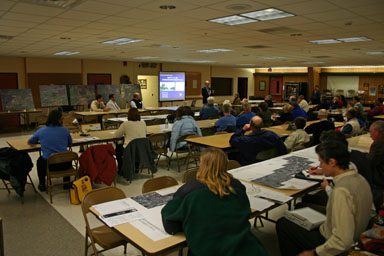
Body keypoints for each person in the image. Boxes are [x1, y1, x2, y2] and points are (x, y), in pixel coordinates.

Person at [161, 147, 268, 256]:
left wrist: (190, 223)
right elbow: (246, 214)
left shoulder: (188, 191)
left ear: (201, 165)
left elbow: (170, 225)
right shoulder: (238, 187)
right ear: (225, 165)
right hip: (246, 249)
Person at [276, 141, 373, 256]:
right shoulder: (359, 178)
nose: (320, 166)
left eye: (321, 162)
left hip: (336, 242)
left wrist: (315, 253)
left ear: (332, 162)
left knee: (283, 224)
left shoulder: (340, 192)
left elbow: (342, 241)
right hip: (359, 229)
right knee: (301, 207)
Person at [28, 110, 72, 192]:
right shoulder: (65, 130)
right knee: (67, 156)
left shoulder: (41, 131)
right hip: (65, 165)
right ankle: (66, 183)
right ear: (60, 120)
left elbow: (30, 141)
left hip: (49, 165)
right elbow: (70, 143)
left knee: (39, 161)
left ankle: (42, 184)